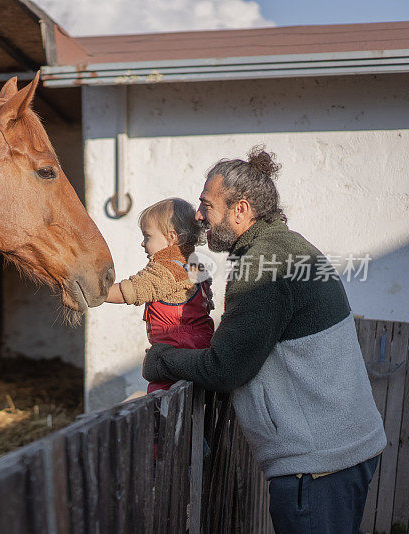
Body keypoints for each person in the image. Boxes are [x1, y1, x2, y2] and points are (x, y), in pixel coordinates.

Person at [142, 146, 386, 533]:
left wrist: (161, 359)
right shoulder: (288, 247)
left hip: (318, 467)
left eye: (207, 205)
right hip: (345, 451)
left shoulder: (261, 267)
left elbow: (226, 369)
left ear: (241, 210)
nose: (200, 216)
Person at [105, 197, 214, 394]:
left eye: (147, 236)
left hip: (177, 359)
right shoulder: (194, 265)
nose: (142, 243)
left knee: (163, 403)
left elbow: (131, 290)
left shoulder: (168, 269)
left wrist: (96, 293)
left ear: (172, 238)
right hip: (198, 351)